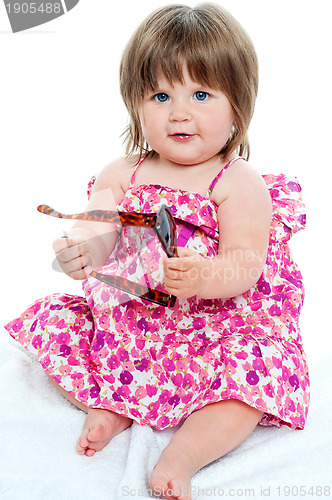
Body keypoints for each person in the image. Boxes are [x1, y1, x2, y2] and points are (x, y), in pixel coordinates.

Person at [5, 4, 309, 500]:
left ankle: (183, 454)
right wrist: (77, 254)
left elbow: (247, 262)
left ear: (239, 105)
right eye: (161, 95)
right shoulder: (122, 172)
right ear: (135, 104)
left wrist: (207, 276)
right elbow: (94, 233)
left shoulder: (236, 182)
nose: (180, 112)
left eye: (202, 94)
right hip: (135, 327)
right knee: (55, 327)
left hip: (216, 329)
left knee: (255, 377)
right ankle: (116, 403)